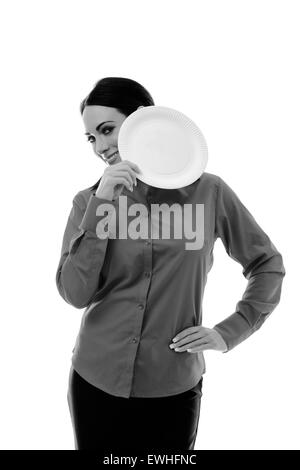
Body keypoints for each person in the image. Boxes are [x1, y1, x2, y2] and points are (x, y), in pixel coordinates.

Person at [55, 77, 286, 451]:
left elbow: (266, 263)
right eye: (91, 138)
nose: (99, 147)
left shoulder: (209, 192)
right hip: (95, 380)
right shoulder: (89, 202)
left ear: (143, 122)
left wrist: (232, 330)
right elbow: (74, 294)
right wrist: (101, 204)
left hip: (173, 386)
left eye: (107, 130)